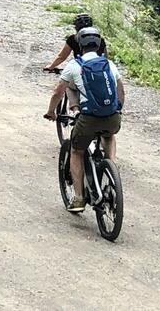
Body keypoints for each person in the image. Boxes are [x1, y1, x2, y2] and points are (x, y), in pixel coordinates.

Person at [44, 27, 125, 213]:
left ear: (79, 45)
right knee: (109, 135)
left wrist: (51, 112)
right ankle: (111, 170)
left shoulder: (75, 65)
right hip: (112, 117)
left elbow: (58, 92)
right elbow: (121, 91)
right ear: (99, 45)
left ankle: (79, 198)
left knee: (76, 150)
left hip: (88, 119)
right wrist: (117, 110)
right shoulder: (109, 64)